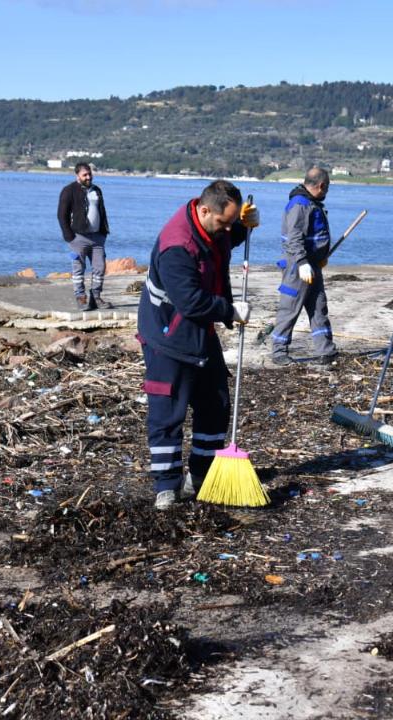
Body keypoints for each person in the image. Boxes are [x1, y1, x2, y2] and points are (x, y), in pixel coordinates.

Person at [137, 180, 258, 510]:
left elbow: (221, 242)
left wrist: (241, 230)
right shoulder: (177, 245)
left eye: (231, 222)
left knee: (215, 404)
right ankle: (166, 486)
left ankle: (201, 477)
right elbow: (190, 301)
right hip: (167, 336)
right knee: (168, 412)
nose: (227, 228)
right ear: (205, 210)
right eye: (224, 222)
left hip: (200, 334)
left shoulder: (209, 228)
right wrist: (228, 311)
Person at [270, 167, 338, 365]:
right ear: (321, 185)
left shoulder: (311, 203)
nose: (326, 192)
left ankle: (326, 350)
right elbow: (294, 238)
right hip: (297, 267)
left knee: (318, 307)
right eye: (327, 188)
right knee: (289, 308)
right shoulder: (300, 205)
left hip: (313, 265)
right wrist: (302, 263)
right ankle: (279, 352)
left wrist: (320, 257)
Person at [58, 162, 113, 310]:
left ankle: (96, 297)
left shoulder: (96, 190)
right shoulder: (68, 191)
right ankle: (81, 298)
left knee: (100, 268)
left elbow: (102, 211)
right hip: (78, 238)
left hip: (97, 238)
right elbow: (61, 215)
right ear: (78, 176)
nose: (88, 177)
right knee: (78, 268)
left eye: (90, 174)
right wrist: (69, 236)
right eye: (85, 175)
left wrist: (103, 232)